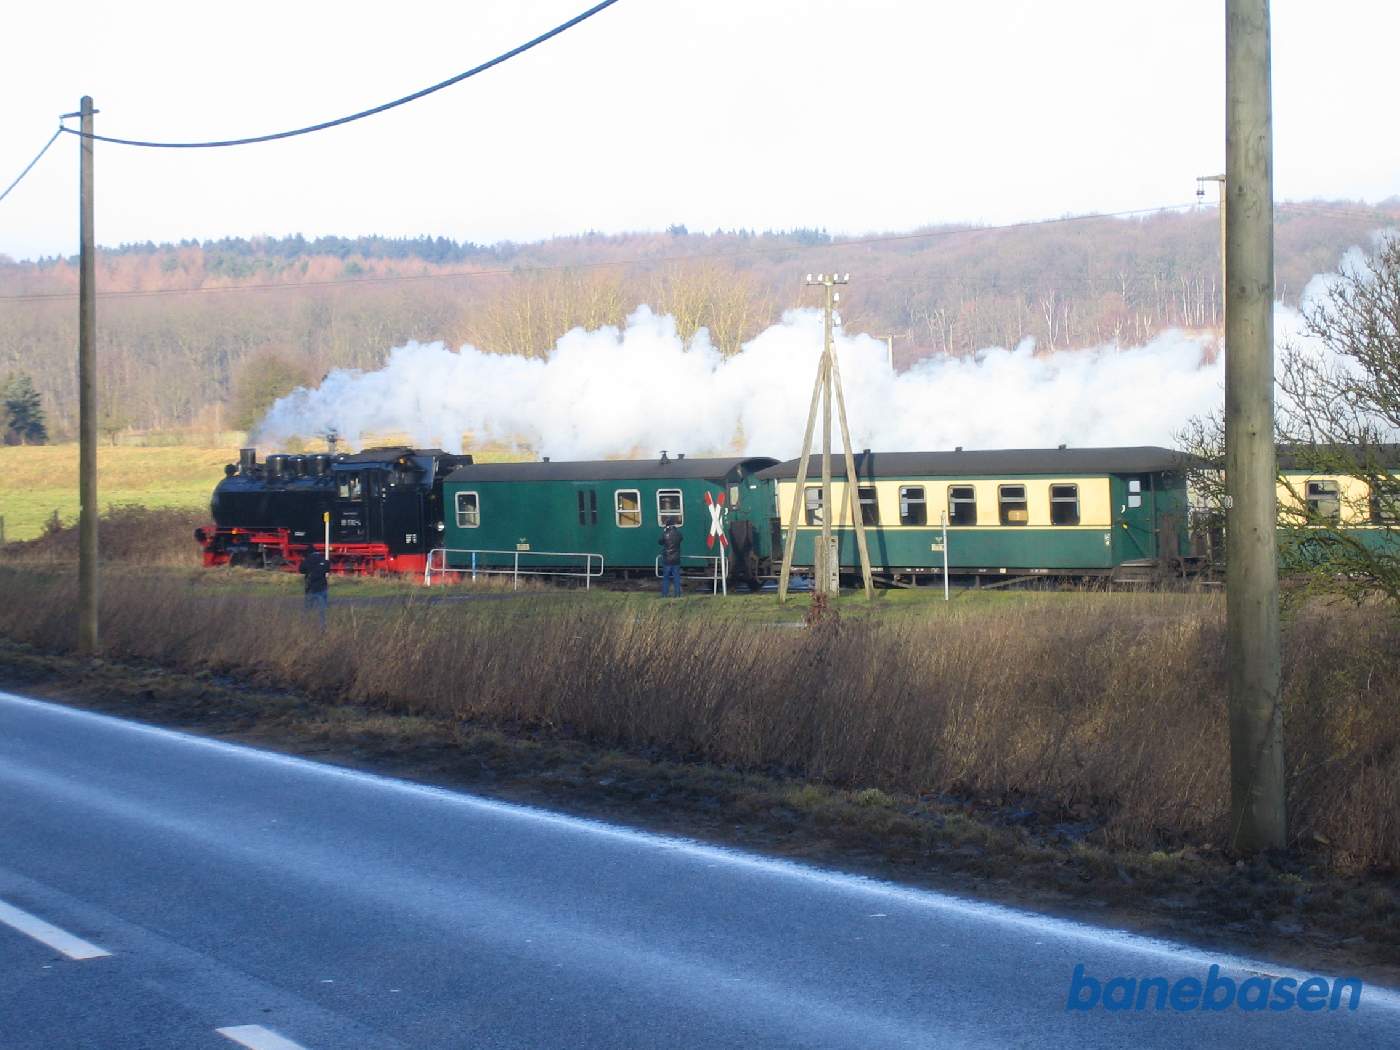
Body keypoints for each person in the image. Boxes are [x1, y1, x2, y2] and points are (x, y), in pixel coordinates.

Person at [300, 548, 330, 628]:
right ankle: (322, 626)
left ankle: (305, 625)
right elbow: (327, 569)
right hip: (322, 586)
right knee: (322, 610)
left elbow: (301, 570)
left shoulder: (307, 560)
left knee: (307, 608)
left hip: (311, 587)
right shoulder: (323, 560)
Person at [659, 522, 683, 597]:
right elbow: (681, 539)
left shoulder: (665, 534)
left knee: (666, 578)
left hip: (667, 560)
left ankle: (664, 594)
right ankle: (678, 594)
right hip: (676, 559)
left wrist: (665, 532)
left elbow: (660, 542)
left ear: (667, 526)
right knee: (676, 577)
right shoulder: (678, 534)